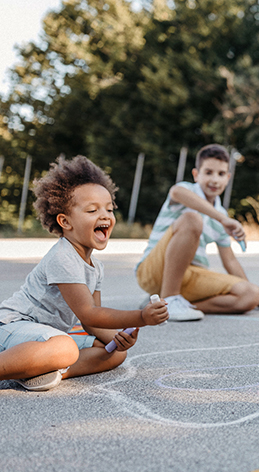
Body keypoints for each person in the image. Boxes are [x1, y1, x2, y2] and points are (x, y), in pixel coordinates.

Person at [0, 156, 169, 391]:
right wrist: (141, 317)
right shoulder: (62, 256)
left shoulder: (95, 266)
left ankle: (43, 371)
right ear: (65, 221)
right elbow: (89, 315)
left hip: (45, 337)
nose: (105, 215)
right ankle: (22, 366)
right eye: (92, 210)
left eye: (109, 209)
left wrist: (117, 338)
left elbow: (94, 325)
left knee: (115, 353)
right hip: (14, 327)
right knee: (65, 348)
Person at [136, 144, 259, 321]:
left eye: (221, 174)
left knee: (250, 294)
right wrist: (223, 219)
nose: (215, 180)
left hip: (190, 276)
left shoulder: (221, 215)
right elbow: (176, 192)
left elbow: (229, 260)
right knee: (192, 219)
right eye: (208, 173)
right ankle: (169, 297)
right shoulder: (187, 191)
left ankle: (163, 307)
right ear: (196, 174)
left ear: (228, 178)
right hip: (154, 270)